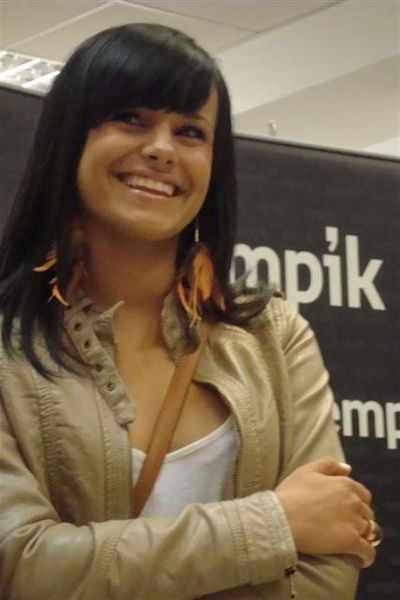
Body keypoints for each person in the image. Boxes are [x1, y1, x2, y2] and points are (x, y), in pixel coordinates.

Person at [0, 23, 379, 600]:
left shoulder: (273, 334)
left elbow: (331, 559)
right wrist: (273, 524)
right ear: (69, 136)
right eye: (131, 118)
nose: (161, 149)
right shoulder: (7, 342)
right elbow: (21, 567)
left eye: (190, 132)